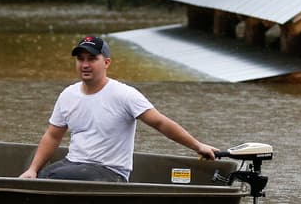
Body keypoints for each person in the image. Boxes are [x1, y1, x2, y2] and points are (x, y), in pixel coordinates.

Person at [20, 35, 218, 182]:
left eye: (92, 59)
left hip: (109, 172)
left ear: (106, 63)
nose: (85, 64)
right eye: (81, 59)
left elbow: (160, 123)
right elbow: (53, 136)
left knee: (55, 177)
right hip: (73, 165)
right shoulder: (68, 95)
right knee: (42, 177)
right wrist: (33, 170)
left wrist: (198, 146)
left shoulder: (125, 95)